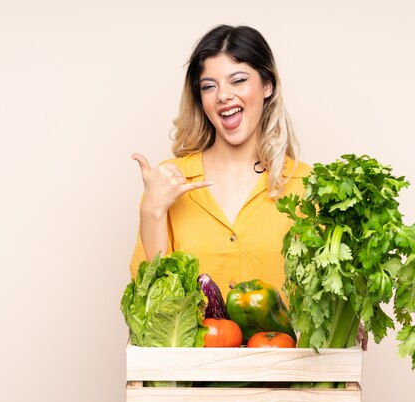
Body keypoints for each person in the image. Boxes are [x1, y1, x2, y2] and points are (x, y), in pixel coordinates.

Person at [129, 24, 309, 299]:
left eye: (238, 80)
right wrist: (152, 211)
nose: (223, 95)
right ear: (200, 99)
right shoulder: (168, 181)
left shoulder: (307, 185)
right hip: (194, 344)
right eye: (209, 86)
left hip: (282, 344)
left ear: (267, 85)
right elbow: (150, 302)